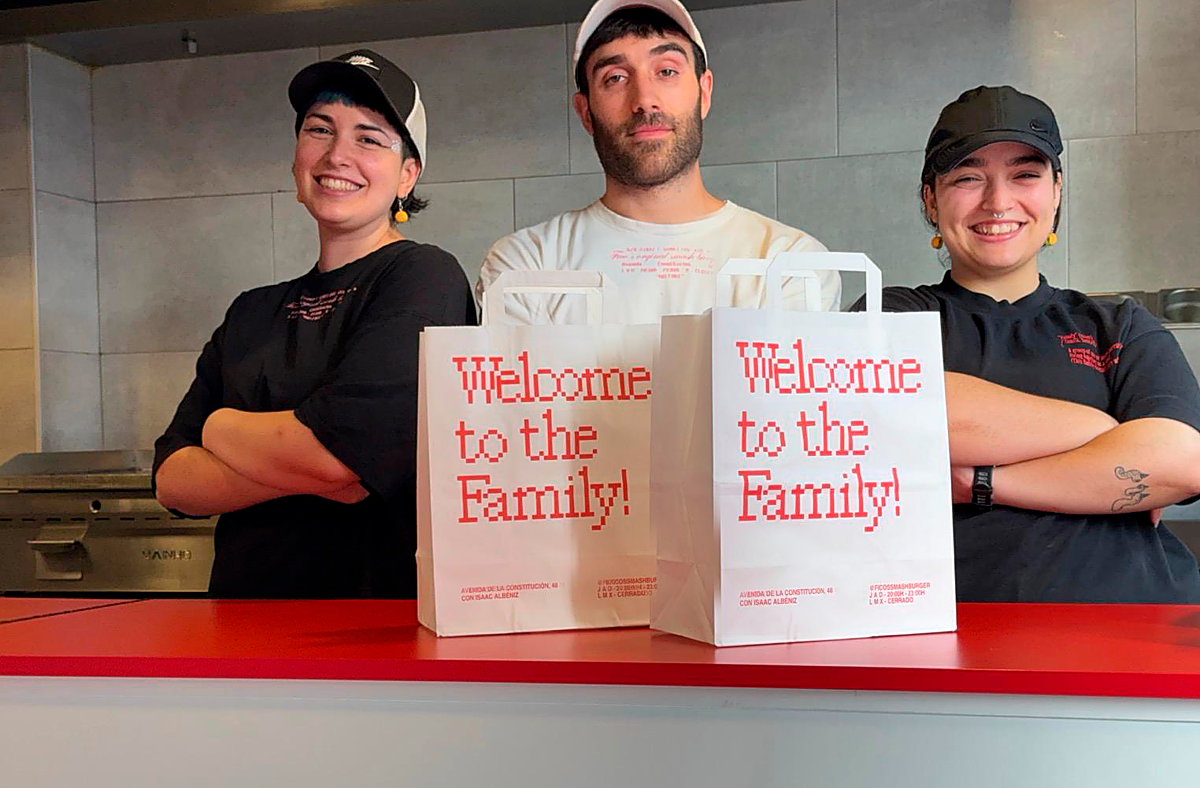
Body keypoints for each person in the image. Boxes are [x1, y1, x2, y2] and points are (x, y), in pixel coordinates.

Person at [854, 84, 1200, 602]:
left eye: (1025, 175)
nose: (998, 202)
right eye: (968, 177)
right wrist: (1103, 431)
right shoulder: (888, 314)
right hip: (939, 632)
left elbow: (1179, 462)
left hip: (1133, 624)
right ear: (930, 198)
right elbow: (911, 411)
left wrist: (980, 481)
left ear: (1056, 191)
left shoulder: (1120, 325)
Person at [153, 50, 476, 598]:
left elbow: (335, 459)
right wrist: (307, 465)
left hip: (375, 630)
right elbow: (173, 482)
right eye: (318, 129)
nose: (337, 154)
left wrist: (219, 429)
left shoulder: (423, 276)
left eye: (369, 138)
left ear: (407, 175)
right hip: (239, 629)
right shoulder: (251, 311)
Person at [477, 0, 840, 323]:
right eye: (615, 78)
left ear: (704, 92)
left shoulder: (791, 263)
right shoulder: (526, 265)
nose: (644, 99)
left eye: (666, 71)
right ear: (585, 112)